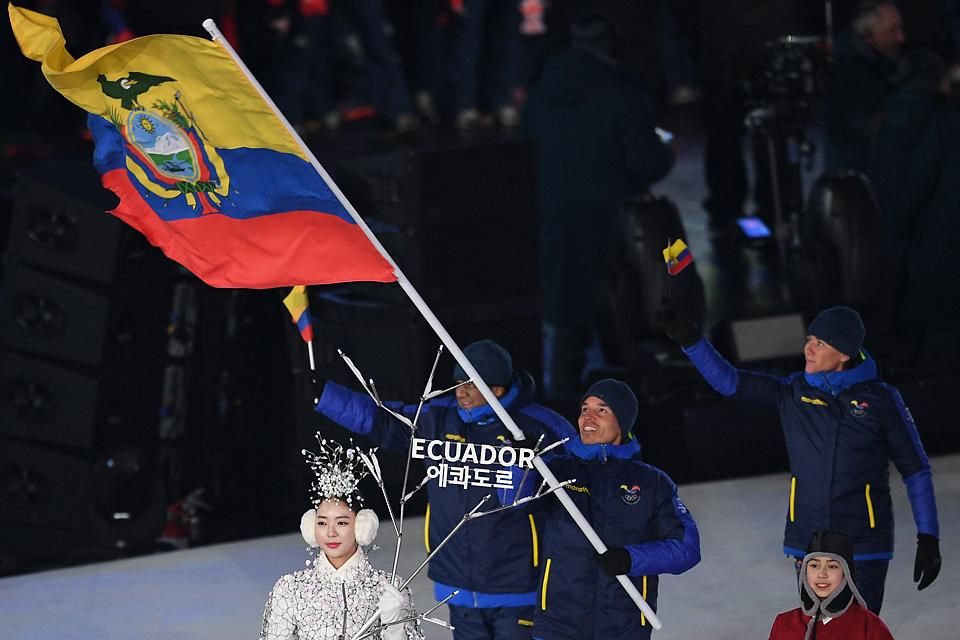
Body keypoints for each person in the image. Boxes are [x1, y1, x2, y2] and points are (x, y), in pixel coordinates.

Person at [659, 302, 942, 613]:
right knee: (817, 629)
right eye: (809, 339)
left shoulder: (882, 400)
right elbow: (730, 381)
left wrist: (928, 537)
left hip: (863, 543)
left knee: (861, 632)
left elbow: (916, 470)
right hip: (809, 541)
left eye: (821, 343)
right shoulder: (792, 392)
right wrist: (691, 341)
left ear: (845, 354)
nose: (809, 348)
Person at [314, 339, 571, 640]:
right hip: (457, 583)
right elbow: (381, 419)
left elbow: (580, 480)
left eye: (470, 384)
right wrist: (326, 396)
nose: (460, 391)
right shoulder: (437, 419)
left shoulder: (539, 426)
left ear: (497, 388)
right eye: (458, 381)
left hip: (517, 587)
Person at [522, 11, 674, 401]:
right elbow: (647, 162)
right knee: (620, 305)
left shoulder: (542, 91)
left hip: (553, 216)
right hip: (612, 221)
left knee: (565, 309)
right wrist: (666, 150)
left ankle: (561, 393)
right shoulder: (624, 92)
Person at [504, 379, 701, 639]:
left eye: (602, 410)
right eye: (585, 409)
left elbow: (687, 550)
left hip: (623, 627)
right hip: (558, 625)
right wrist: (521, 465)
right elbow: (513, 504)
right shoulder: (556, 471)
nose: (588, 416)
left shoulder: (652, 482)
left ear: (623, 421)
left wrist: (630, 558)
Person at [260, 440, 423, 640]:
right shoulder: (289, 589)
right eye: (322, 523)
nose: (330, 533)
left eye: (342, 523)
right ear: (310, 527)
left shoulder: (390, 589)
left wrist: (394, 629)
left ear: (362, 526)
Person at [825, 1, 906, 173]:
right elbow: (872, 131)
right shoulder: (852, 76)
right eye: (892, 31)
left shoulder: (875, 62)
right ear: (869, 37)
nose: (901, 38)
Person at [769, 529, 894, 640]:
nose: (822, 574)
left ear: (846, 574)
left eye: (832, 566)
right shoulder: (783, 623)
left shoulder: (869, 626)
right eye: (814, 566)